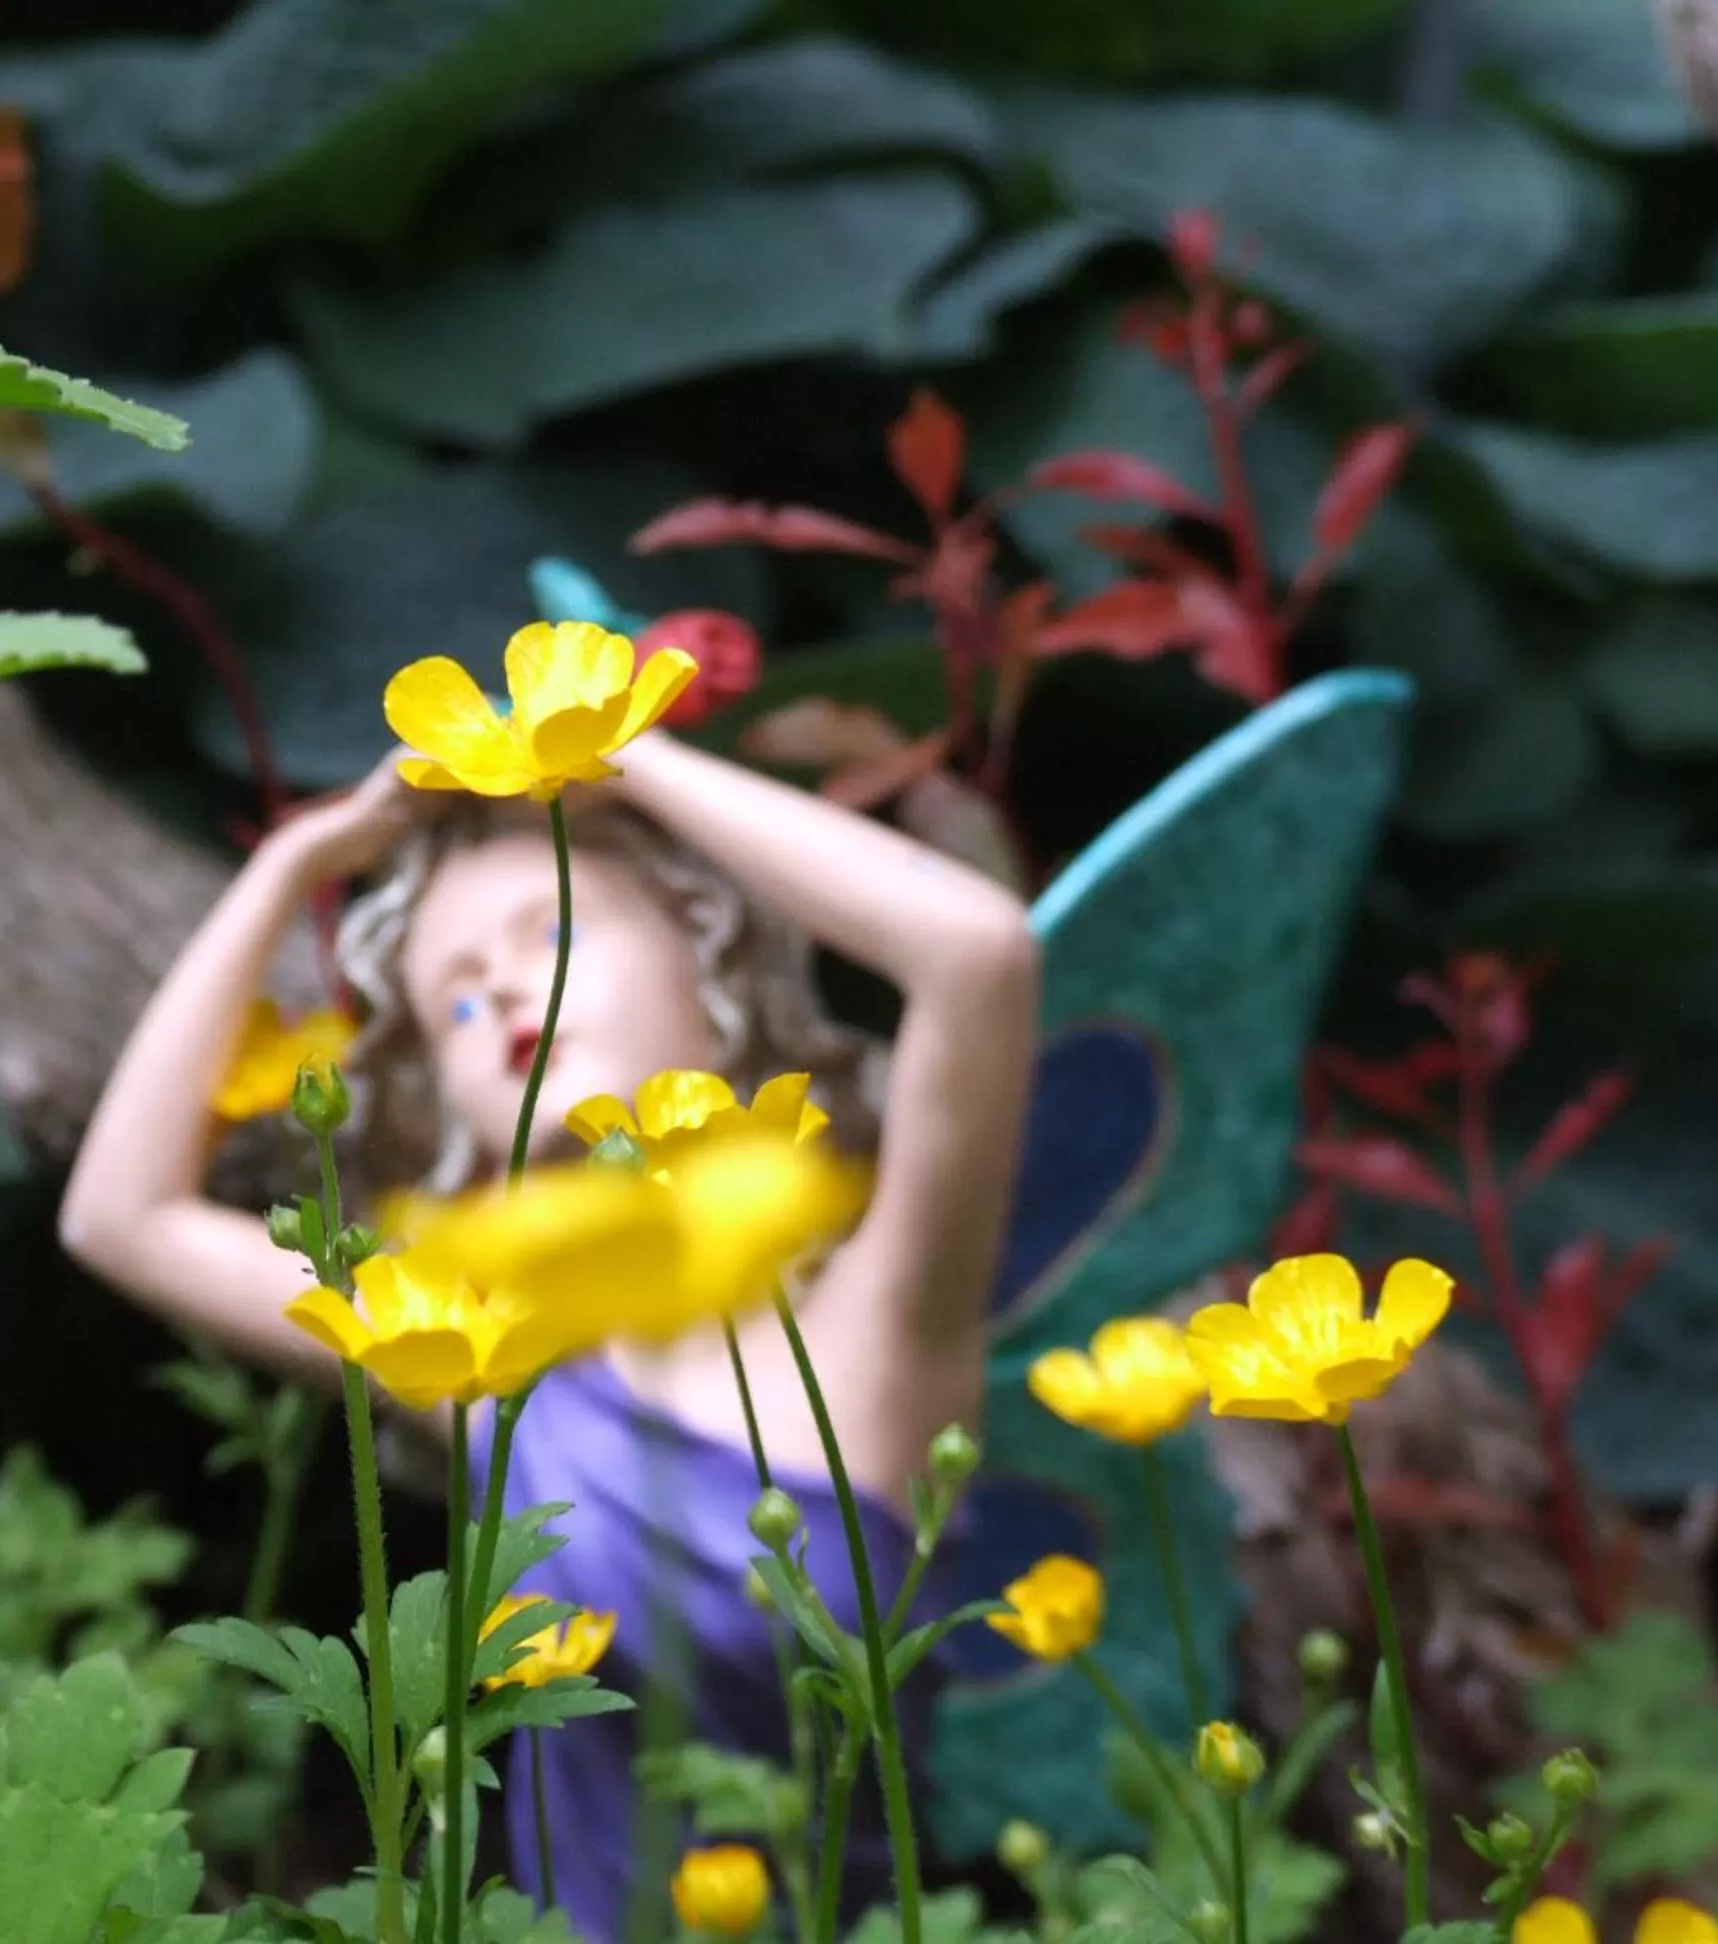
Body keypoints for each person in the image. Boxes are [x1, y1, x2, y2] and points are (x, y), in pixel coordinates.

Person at [60, 727, 1042, 1936]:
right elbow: (122, 1216)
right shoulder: (495, 1357)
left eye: (555, 932)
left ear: (709, 951)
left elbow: (979, 952)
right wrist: (300, 859)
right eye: (455, 1000)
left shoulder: (884, 1318)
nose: (506, 995)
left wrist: (619, 746)